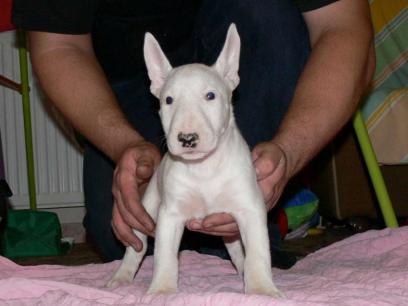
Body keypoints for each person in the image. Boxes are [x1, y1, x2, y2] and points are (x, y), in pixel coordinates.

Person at [12, 0, 375, 262]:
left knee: (265, 11)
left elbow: (344, 27)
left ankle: (252, 210)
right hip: (129, 85)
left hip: (242, 61)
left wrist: (288, 152)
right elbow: (58, 46)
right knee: (124, 240)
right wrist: (123, 143)